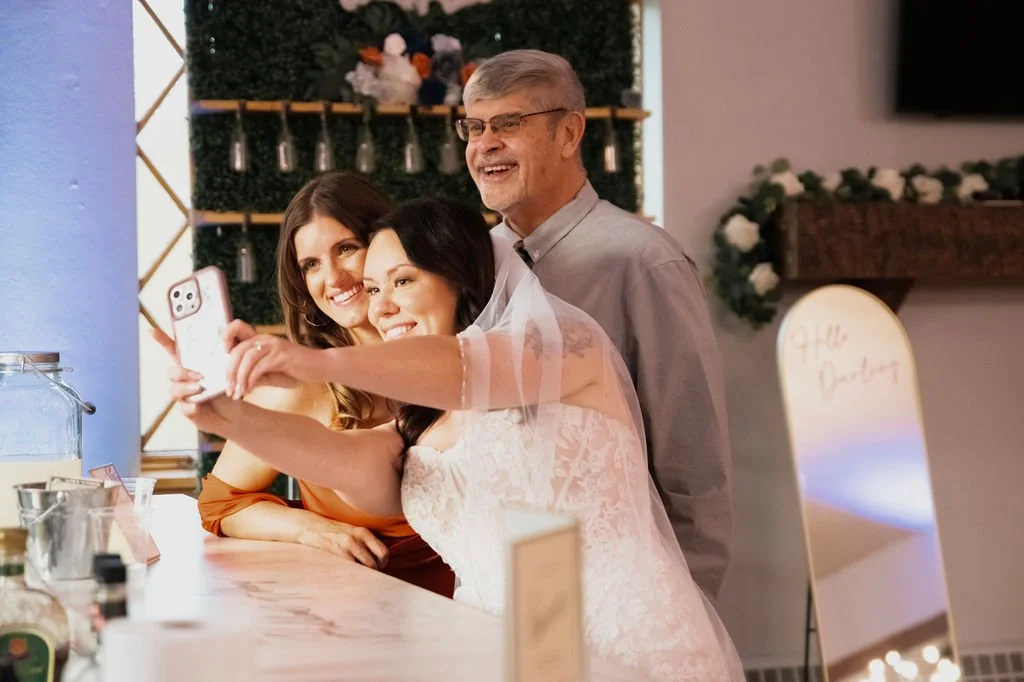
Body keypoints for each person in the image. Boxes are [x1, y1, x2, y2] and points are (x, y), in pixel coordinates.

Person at [169, 198, 743, 681]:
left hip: (627, 649)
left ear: (460, 277)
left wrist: (313, 364)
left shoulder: (566, 346)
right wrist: (223, 414)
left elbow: (465, 365)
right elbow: (342, 459)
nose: (381, 306)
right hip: (492, 654)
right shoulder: (420, 423)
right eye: (373, 288)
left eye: (402, 280)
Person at [459, 49, 734, 598]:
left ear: (569, 133)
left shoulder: (645, 261)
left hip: (620, 588)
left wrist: (688, 613)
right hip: (493, 585)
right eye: (473, 126)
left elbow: (693, 466)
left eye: (508, 124)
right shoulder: (469, 263)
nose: (484, 144)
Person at [156, 173, 454, 597]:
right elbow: (221, 503)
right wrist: (311, 529)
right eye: (310, 265)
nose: (332, 279)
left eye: (346, 249)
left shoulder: (461, 359)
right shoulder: (300, 387)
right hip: (373, 624)